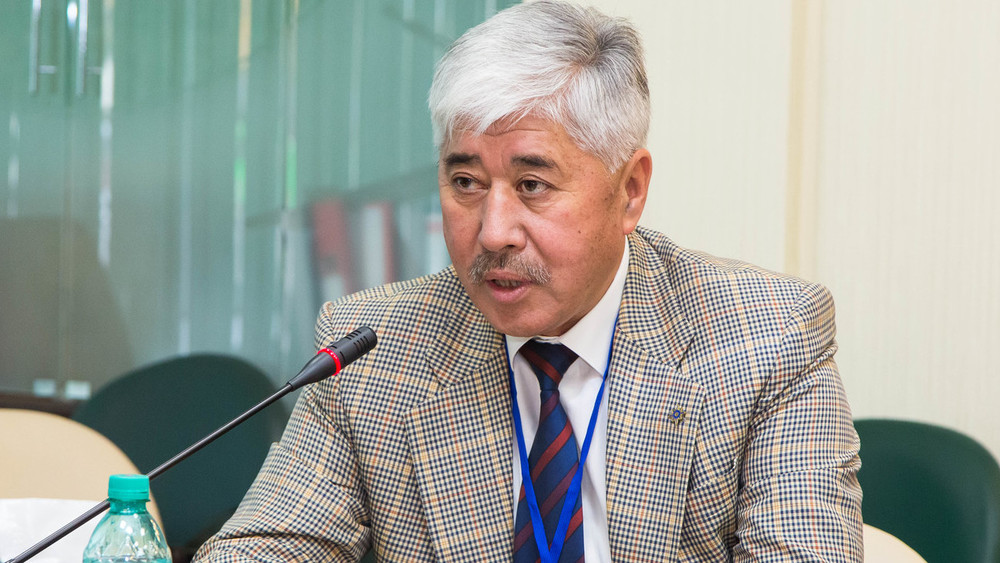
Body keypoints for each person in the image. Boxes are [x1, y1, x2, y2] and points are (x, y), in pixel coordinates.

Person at [194, 1, 863, 561]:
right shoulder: (376, 351)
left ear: (630, 191)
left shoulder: (767, 339)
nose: (492, 233)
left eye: (532, 185)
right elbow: (262, 549)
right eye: (465, 182)